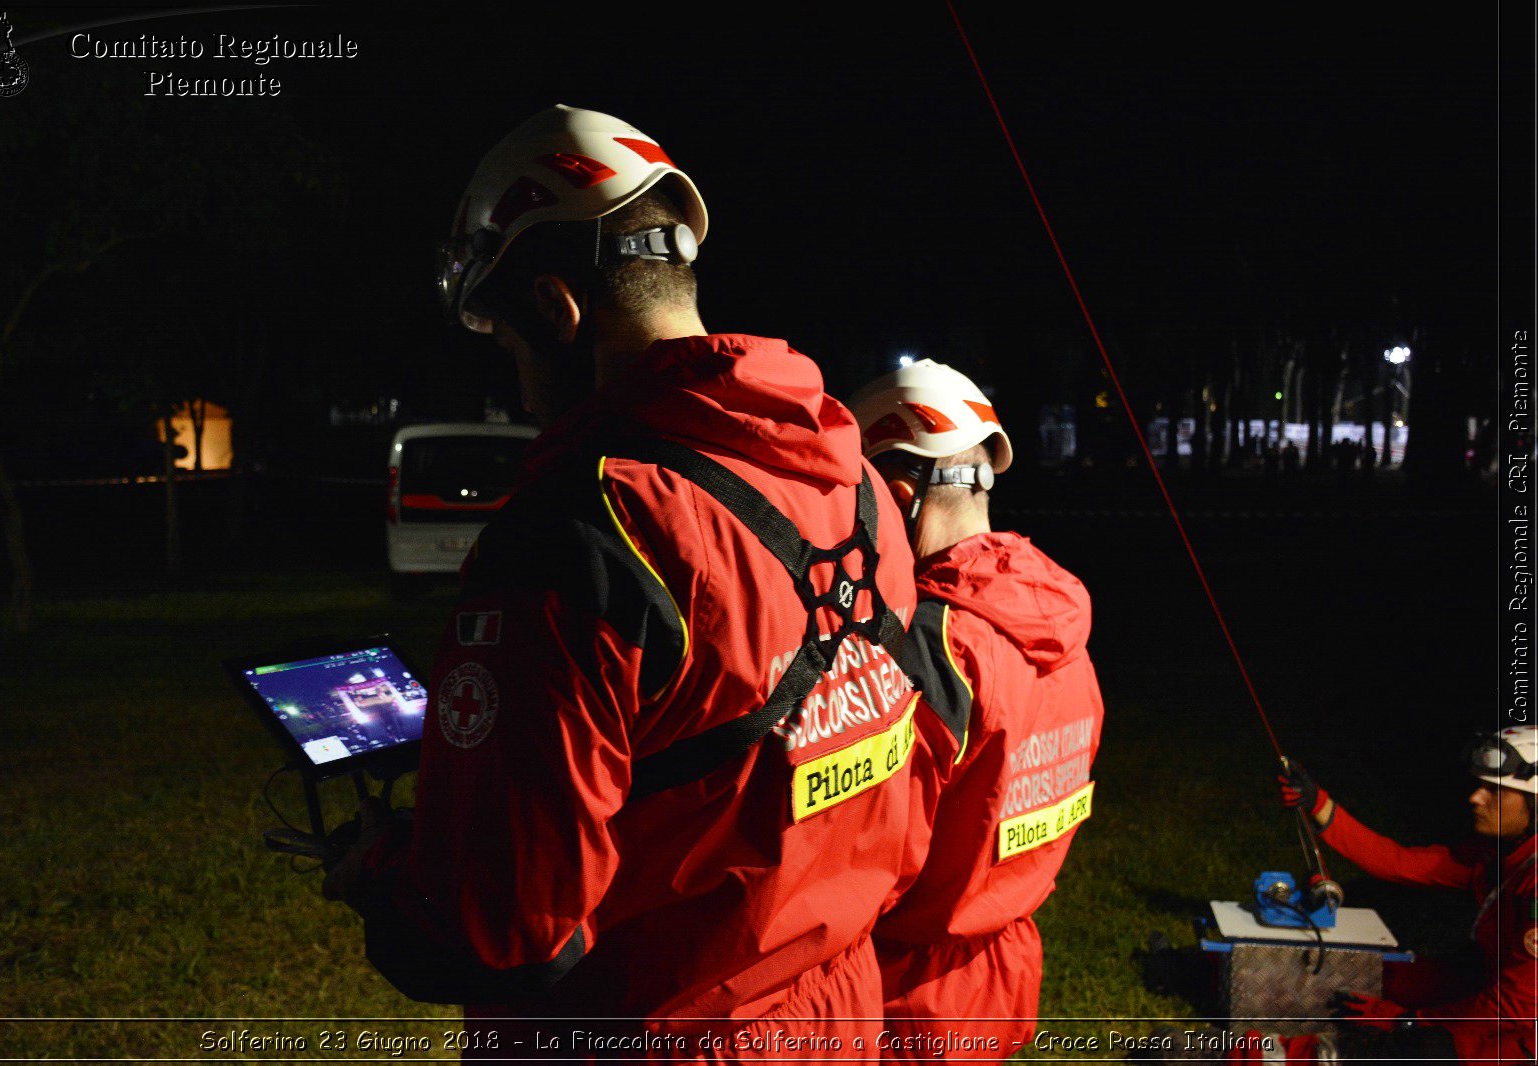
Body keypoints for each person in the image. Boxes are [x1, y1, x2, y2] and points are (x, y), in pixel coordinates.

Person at [322, 104, 953, 1055]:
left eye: (504, 334)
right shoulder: (854, 480)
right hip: (836, 1008)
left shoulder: (581, 530)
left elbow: (507, 927)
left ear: (558, 307)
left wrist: (379, 874)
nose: (512, 369)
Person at [847, 360, 1105, 1059]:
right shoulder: (1061, 623)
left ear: (895, 497)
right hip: (1000, 973)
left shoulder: (936, 644)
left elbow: (867, 860)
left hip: (906, 997)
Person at [1277, 726, 1538, 1063]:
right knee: (1385, 977)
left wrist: (1407, 1021)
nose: (1476, 797)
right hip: (1492, 989)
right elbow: (1402, 863)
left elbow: (1515, 1009)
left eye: (1495, 790)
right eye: (1479, 786)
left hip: (1523, 1031)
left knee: (1418, 1050)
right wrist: (1317, 803)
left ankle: (1257, 1055)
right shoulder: (1504, 854)